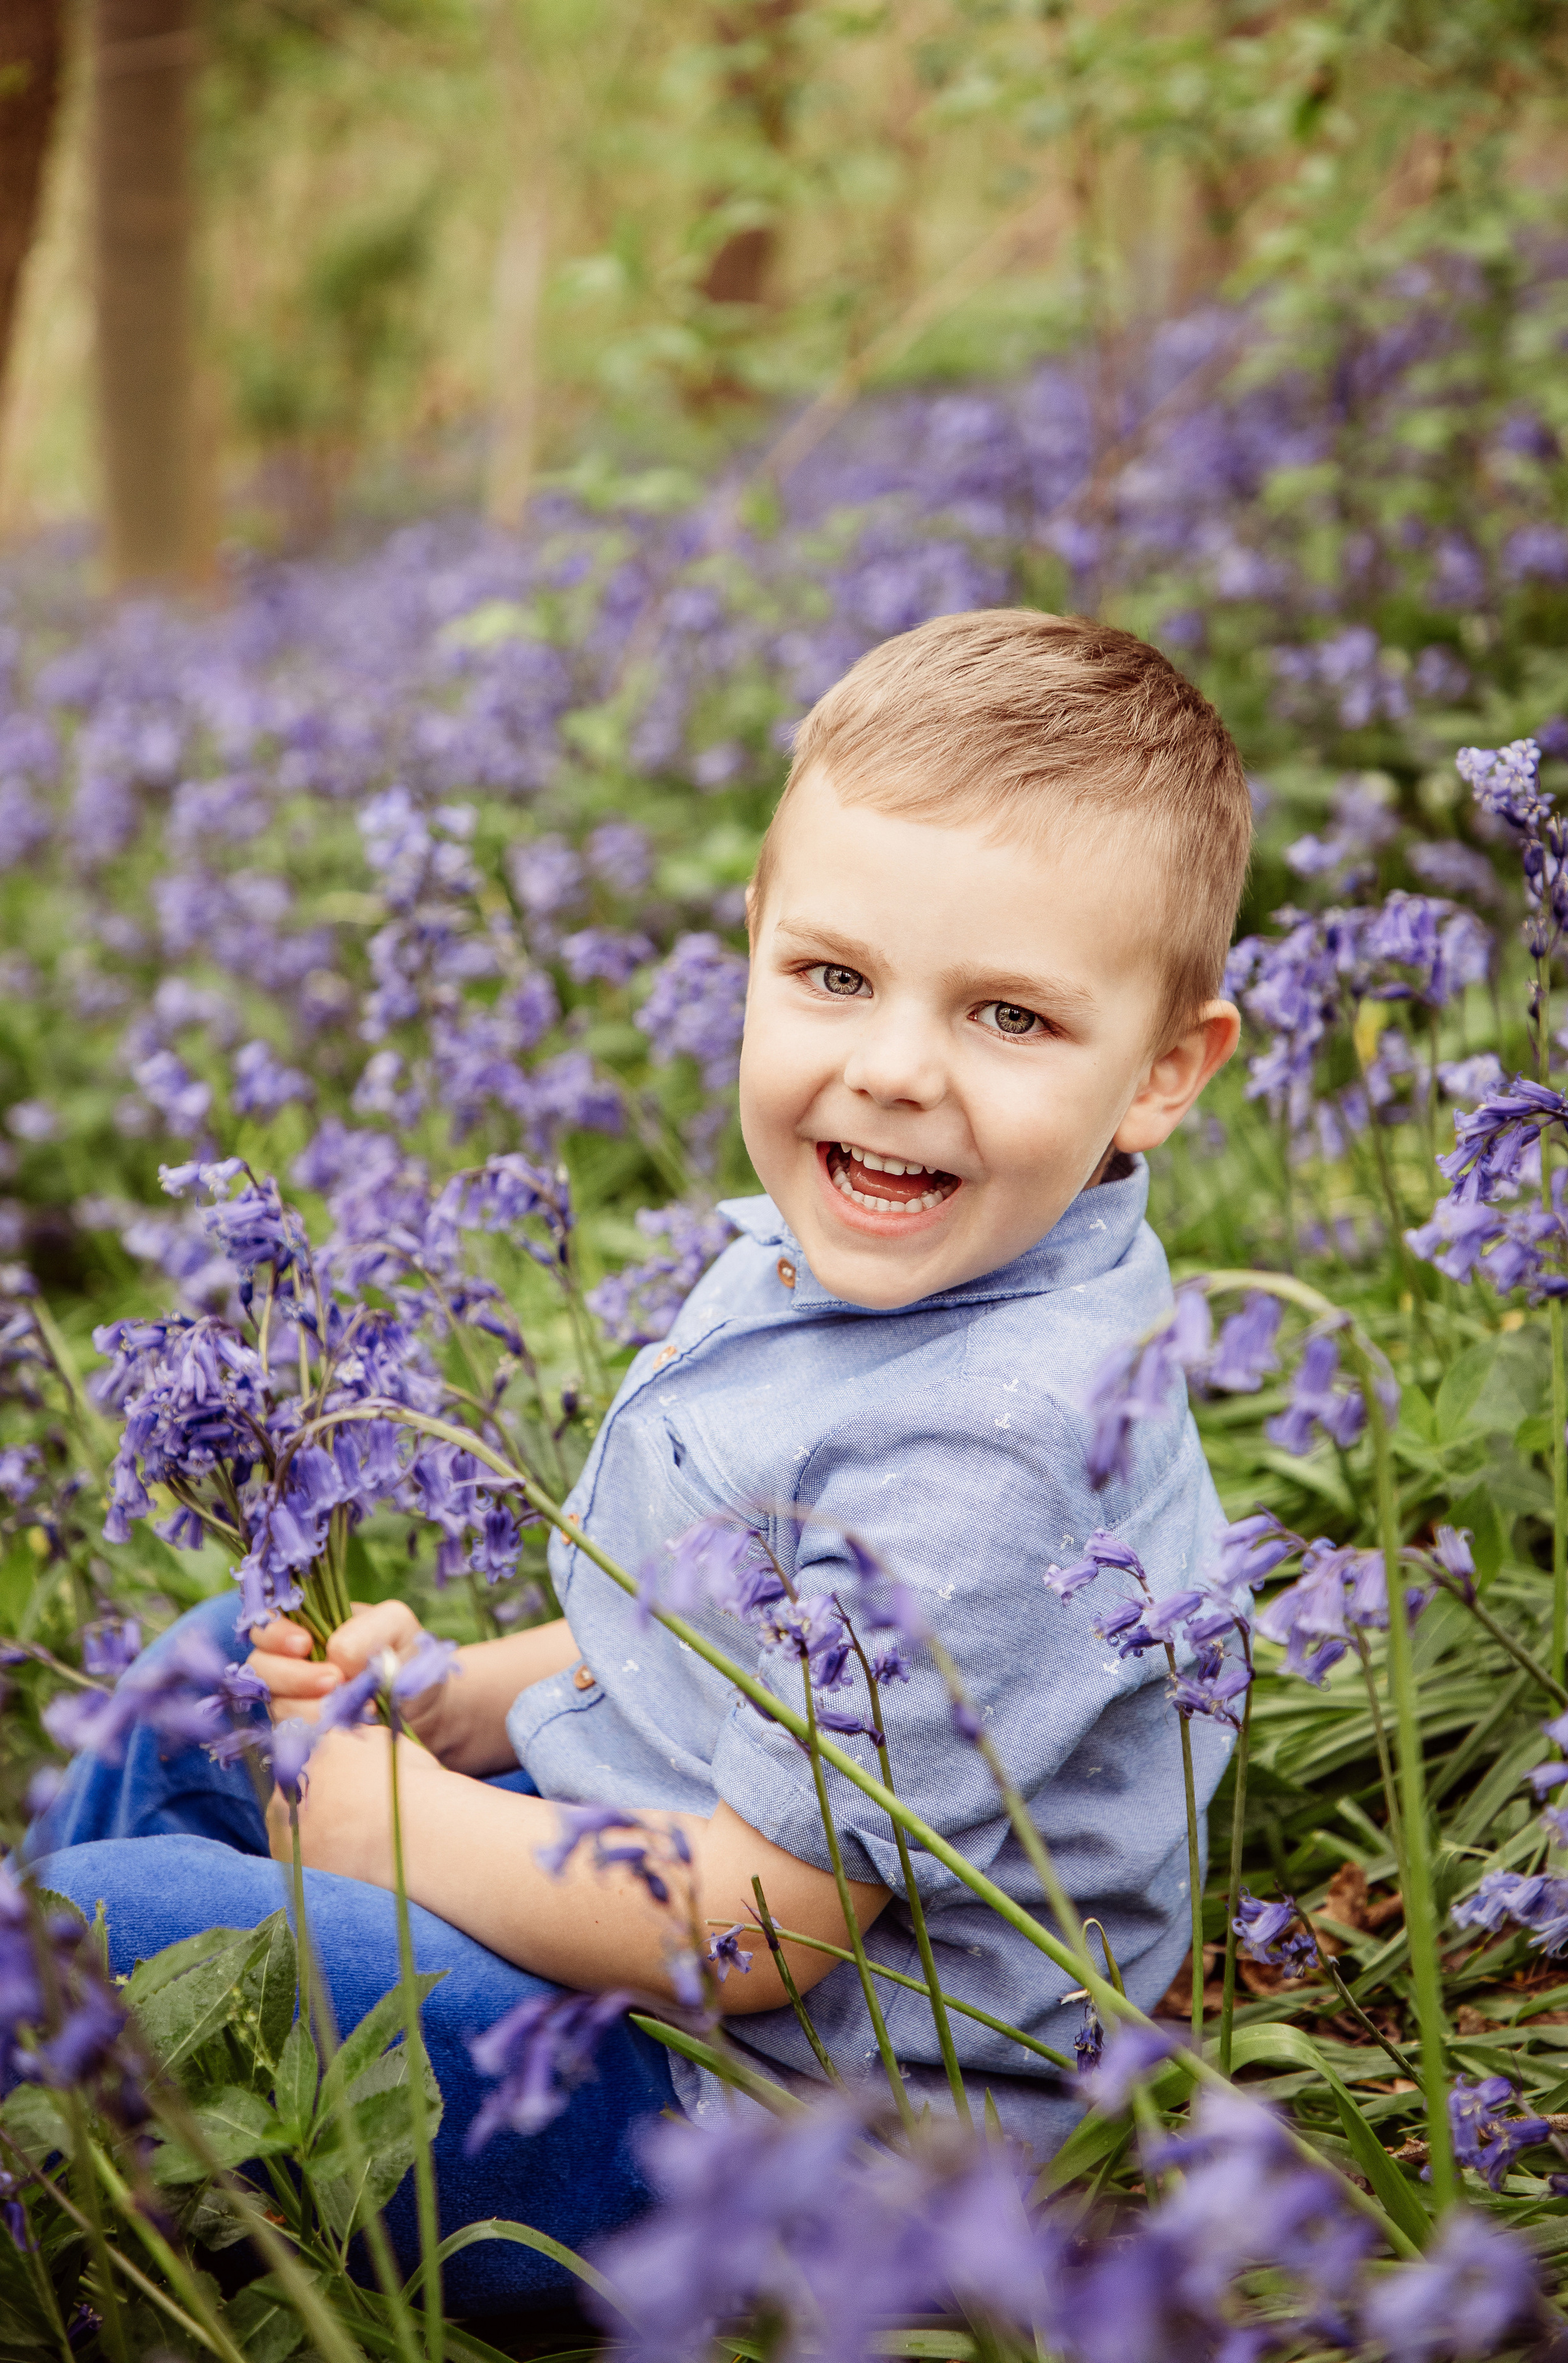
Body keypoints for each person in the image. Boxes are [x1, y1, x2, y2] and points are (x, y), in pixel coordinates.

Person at [29, 608, 1249, 2313]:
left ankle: (90, 2151)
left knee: (111, 1916)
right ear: (754, 947)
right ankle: (104, 2153)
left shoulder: (991, 1445)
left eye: (1010, 1019)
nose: (893, 1070)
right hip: (669, 1910)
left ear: (1166, 1073)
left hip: (756, 2135)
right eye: (836, 977)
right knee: (210, 1682)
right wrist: (472, 1697)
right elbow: (723, 1635)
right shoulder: (865, 1262)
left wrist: (403, 1826)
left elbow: (761, 1930)